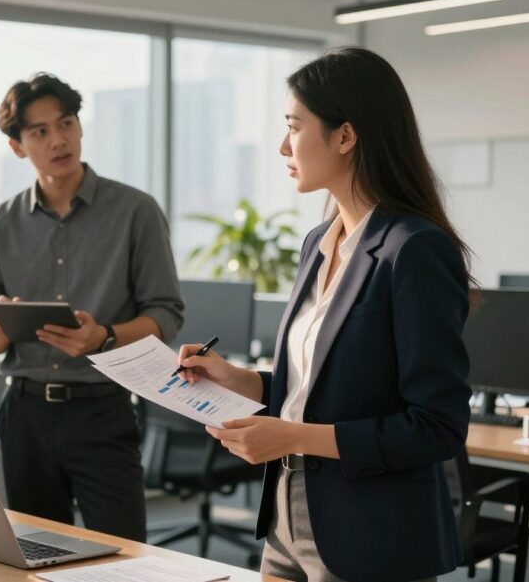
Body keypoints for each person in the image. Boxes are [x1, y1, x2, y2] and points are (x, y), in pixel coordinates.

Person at [178, 47, 473, 582]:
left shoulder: (414, 250)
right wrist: (240, 381)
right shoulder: (319, 242)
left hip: (371, 534)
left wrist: (290, 436)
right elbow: (319, 389)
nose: (282, 146)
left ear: (345, 135)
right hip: (287, 519)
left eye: (295, 126)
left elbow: (437, 427)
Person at [0, 73, 183, 542]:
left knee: (124, 559)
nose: (58, 139)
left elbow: (166, 314)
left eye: (65, 123)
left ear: (80, 128)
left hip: (101, 410)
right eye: (39, 131)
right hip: (23, 414)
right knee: (38, 557)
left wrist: (103, 336)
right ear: (18, 147)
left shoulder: (135, 211)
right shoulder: (0, 223)